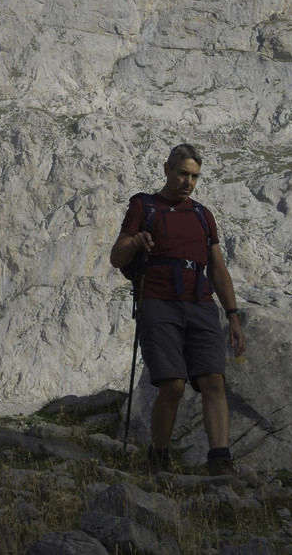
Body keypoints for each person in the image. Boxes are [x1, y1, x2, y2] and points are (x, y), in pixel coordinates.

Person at [109, 143, 247, 476]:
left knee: (213, 380)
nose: (188, 182)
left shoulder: (203, 215)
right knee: (173, 384)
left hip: (199, 303)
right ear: (167, 169)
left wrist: (232, 315)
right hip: (158, 301)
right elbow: (117, 255)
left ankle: (220, 460)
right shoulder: (144, 206)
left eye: (195, 177)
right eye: (183, 174)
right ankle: (158, 457)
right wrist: (136, 242)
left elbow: (217, 268)